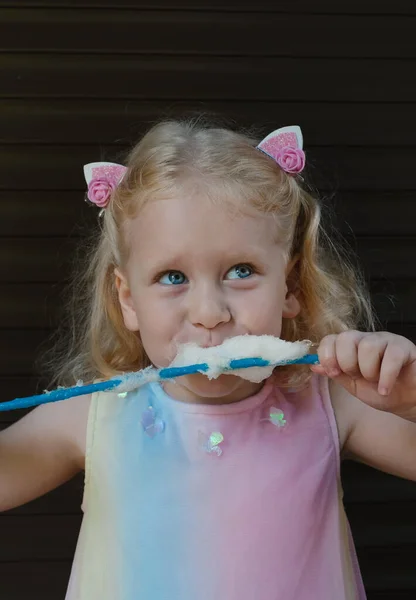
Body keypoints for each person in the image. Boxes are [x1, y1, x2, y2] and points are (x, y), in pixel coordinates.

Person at [0, 119, 415, 600]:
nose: (209, 314)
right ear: (129, 300)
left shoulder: (331, 401)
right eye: (172, 277)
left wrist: (408, 400)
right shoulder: (95, 413)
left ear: (291, 287)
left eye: (242, 271)